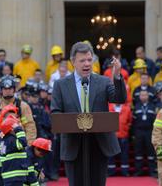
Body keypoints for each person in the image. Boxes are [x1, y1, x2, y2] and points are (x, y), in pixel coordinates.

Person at [51, 41, 126, 186]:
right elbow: (56, 113)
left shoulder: (103, 82)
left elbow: (119, 98)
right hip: (73, 145)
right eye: (82, 60)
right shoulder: (60, 85)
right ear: (73, 62)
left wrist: (116, 76)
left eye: (89, 60)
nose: (87, 64)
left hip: (98, 144)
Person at [0, 114, 31, 186]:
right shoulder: (12, 140)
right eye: (17, 126)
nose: (20, 127)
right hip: (15, 177)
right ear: (11, 130)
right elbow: (23, 143)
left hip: (9, 177)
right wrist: (19, 130)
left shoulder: (5, 141)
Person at [133, 89, 157, 177]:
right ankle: (138, 171)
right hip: (139, 131)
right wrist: (133, 134)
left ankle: (152, 171)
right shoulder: (136, 107)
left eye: (145, 95)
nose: (143, 97)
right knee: (138, 152)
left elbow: (155, 121)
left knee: (151, 152)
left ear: (148, 96)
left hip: (149, 131)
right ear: (139, 97)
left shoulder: (152, 106)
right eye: (142, 95)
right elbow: (133, 122)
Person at [108, 100, 132, 177]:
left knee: (124, 155)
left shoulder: (127, 109)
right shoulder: (108, 108)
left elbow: (130, 121)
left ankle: (125, 172)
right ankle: (111, 172)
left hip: (123, 135)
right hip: (112, 136)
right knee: (111, 155)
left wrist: (126, 129)